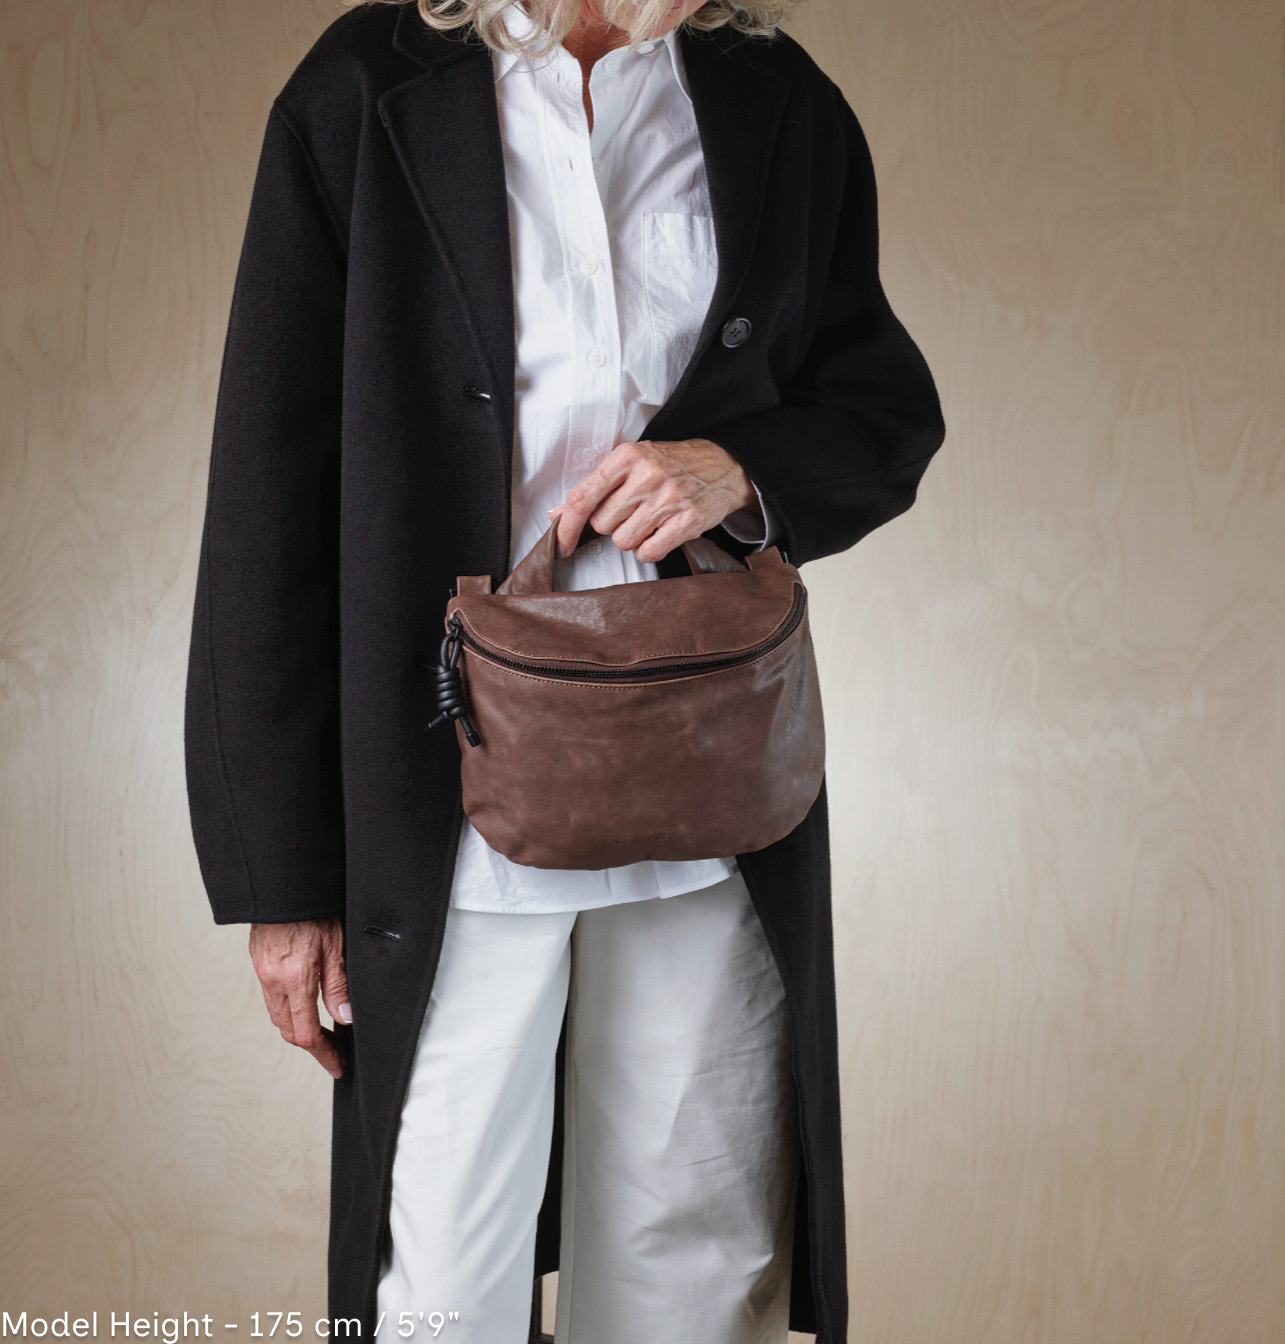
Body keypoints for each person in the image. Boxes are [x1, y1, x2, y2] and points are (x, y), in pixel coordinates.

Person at [184, 0, 944, 1340]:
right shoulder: (366, 89)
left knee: (696, 1268)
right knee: (436, 1289)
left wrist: (741, 468)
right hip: (444, 795)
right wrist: (282, 880)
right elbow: (268, 486)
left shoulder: (777, 100)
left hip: (710, 795)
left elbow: (881, 413)